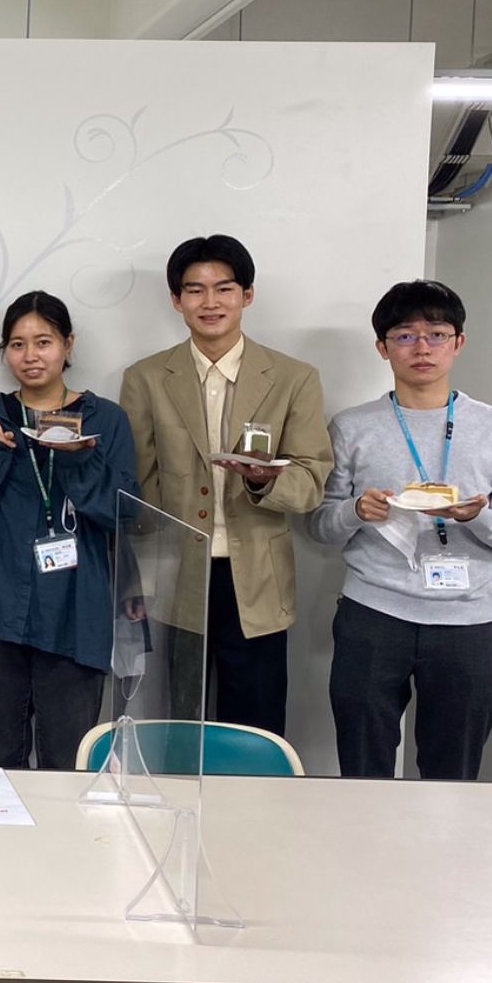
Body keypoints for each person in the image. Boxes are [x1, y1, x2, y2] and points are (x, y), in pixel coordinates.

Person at [120, 235, 332, 736]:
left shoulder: (294, 378)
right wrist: (137, 579)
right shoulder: (145, 378)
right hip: (178, 575)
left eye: (224, 289)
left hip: (257, 579)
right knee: (179, 721)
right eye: (195, 290)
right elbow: (136, 489)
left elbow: (311, 481)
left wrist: (263, 482)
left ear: (247, 295)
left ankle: (253, 791)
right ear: (177, 300)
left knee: (254, 725)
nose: (209, 302)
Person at [307, 280, 492, 780]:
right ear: (383, 348)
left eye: (436, 334)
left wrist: (476, 516)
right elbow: (320, 526)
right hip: (373, 614)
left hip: (467, 619)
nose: (422, 348)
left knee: (453, 774)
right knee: (363, 766)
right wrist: (357, 511)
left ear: (458, 343)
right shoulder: (351, 426)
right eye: (404, 336)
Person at [0, 291, 139, 771]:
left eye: (43, 342)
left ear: (68, 344)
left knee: (67, 764)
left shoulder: (105, 419)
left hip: (76, 608)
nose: (30, 356)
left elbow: (124, 512)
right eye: (17, 344)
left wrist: (78, 458)